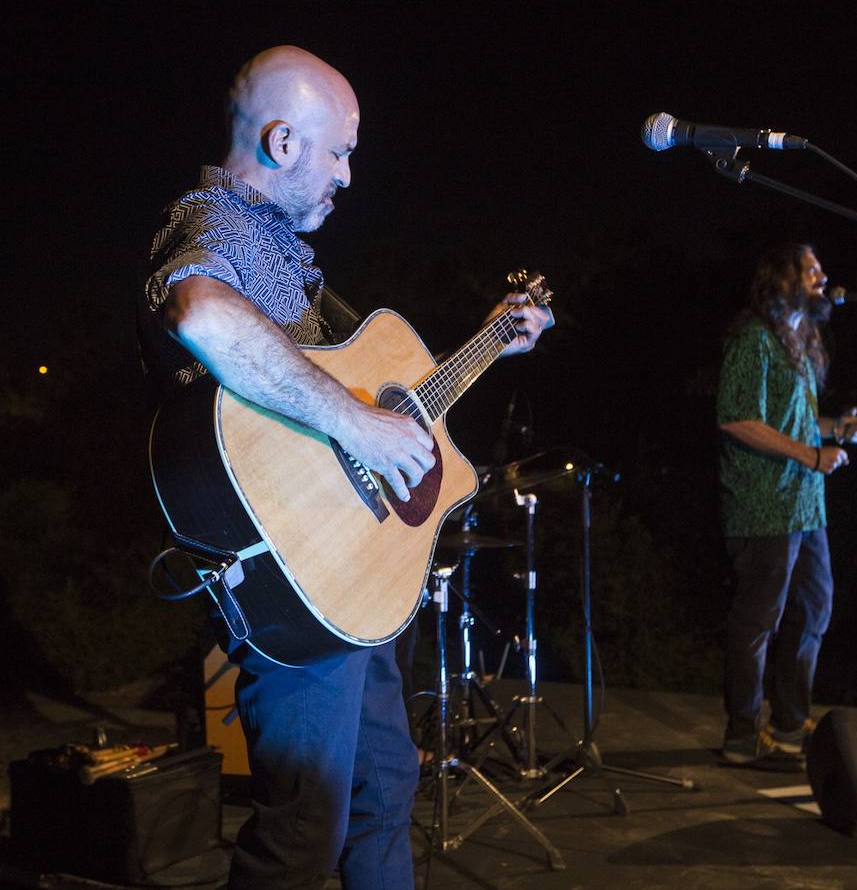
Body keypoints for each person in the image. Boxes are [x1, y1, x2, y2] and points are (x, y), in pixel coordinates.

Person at [138, 46, 553, 889]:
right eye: (340, 151)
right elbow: (200, 311)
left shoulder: (295, 269)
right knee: (301, 833)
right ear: (283, 142)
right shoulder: (215, 224)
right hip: (289, 582)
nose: (350, 175)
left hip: (347, 581)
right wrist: (354, 425)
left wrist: (490, 343)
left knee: (386, 784)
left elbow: (395, 392)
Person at [715, 243, 857, 769]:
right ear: (781, 279)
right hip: (765, 504)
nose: (822, 276)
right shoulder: (752, 340)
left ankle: (788, 724)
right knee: (759, 619)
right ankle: (742, 733)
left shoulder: (798, 342)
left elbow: (791, 423)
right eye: (810, 269)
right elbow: (737, 419)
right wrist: (811, 452)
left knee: (815, 607)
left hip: (805, 505)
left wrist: (833, 430)